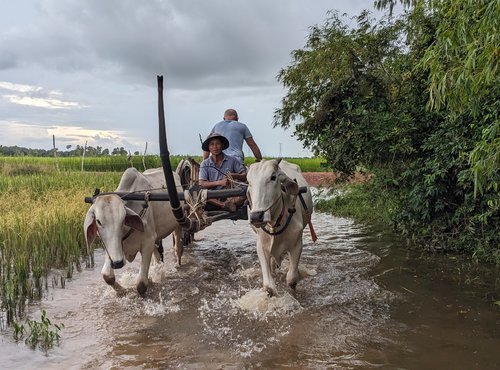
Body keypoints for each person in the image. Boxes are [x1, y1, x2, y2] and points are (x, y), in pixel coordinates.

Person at [199, 132, 247, 212]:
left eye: (218, 144)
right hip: (212, 197)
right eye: (212, 144)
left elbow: (245, 176)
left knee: (246, 189)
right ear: (209, 148)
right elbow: (202, 183)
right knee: (200, 192)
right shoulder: (205, 163)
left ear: (223, 146)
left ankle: (230, 203)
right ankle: (224, 205)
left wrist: (234, 175)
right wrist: (219, 183)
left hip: (231, 195)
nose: (215, 147)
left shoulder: (233, 160)